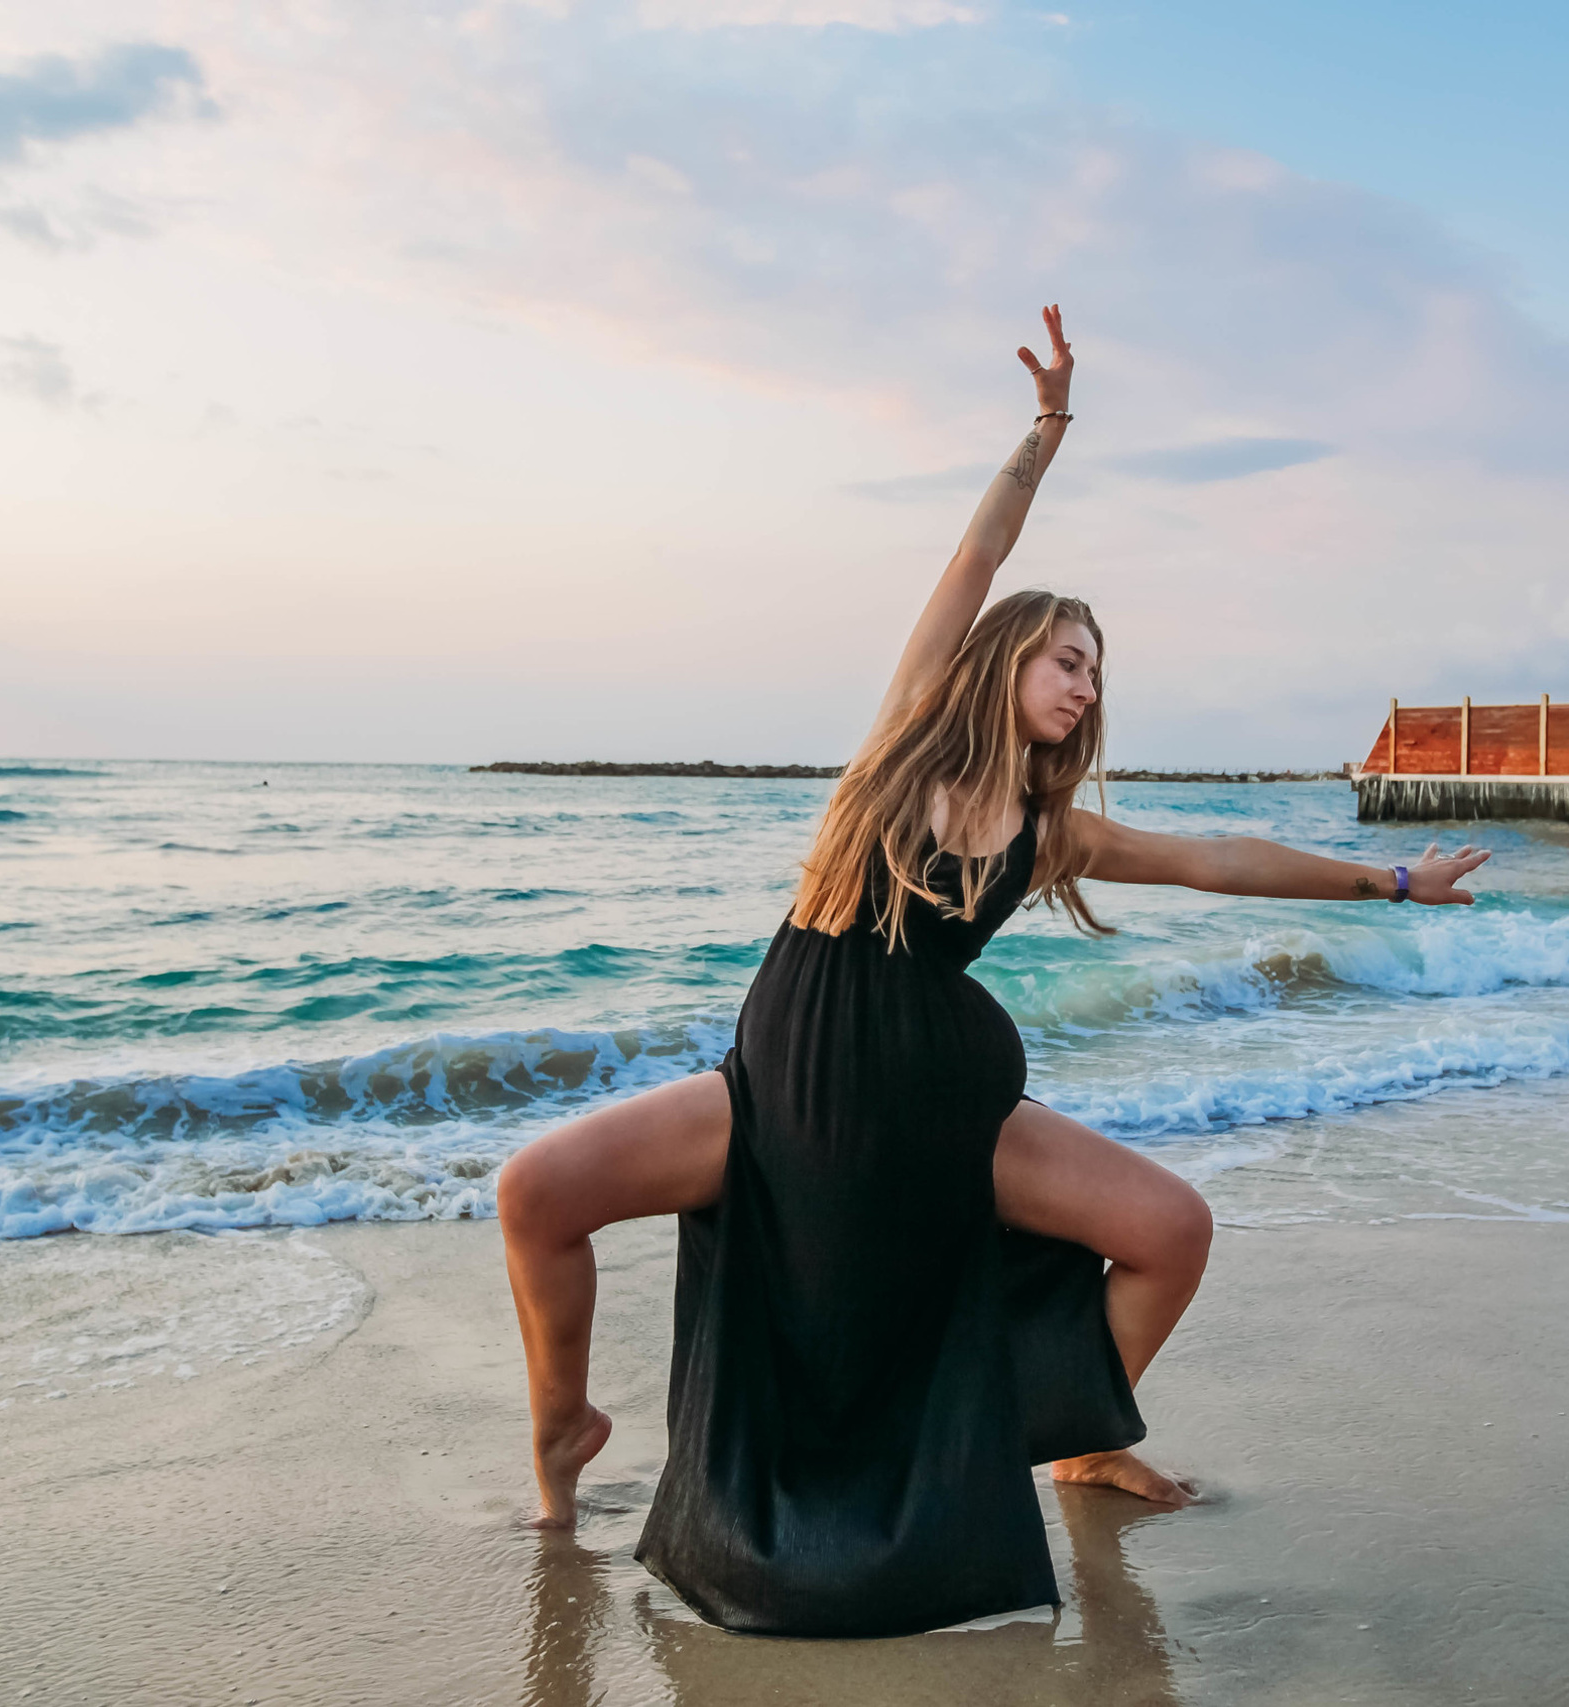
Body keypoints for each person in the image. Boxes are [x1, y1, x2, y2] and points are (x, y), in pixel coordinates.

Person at [495, 305, 1489, 1637]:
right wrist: (1047, 432)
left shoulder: (1052, 831)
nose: (1083, 688)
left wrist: (1391, 881)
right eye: (1066, 660)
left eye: (1095, 673)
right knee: (537, 1192)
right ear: (1007, 656)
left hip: (940, 1112)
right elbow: (981, 549)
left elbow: (1218, 862)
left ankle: (1064, 1439)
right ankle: (563, 1428)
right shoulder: (903, 746)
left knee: (1169, 1232)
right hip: (782, 1089)